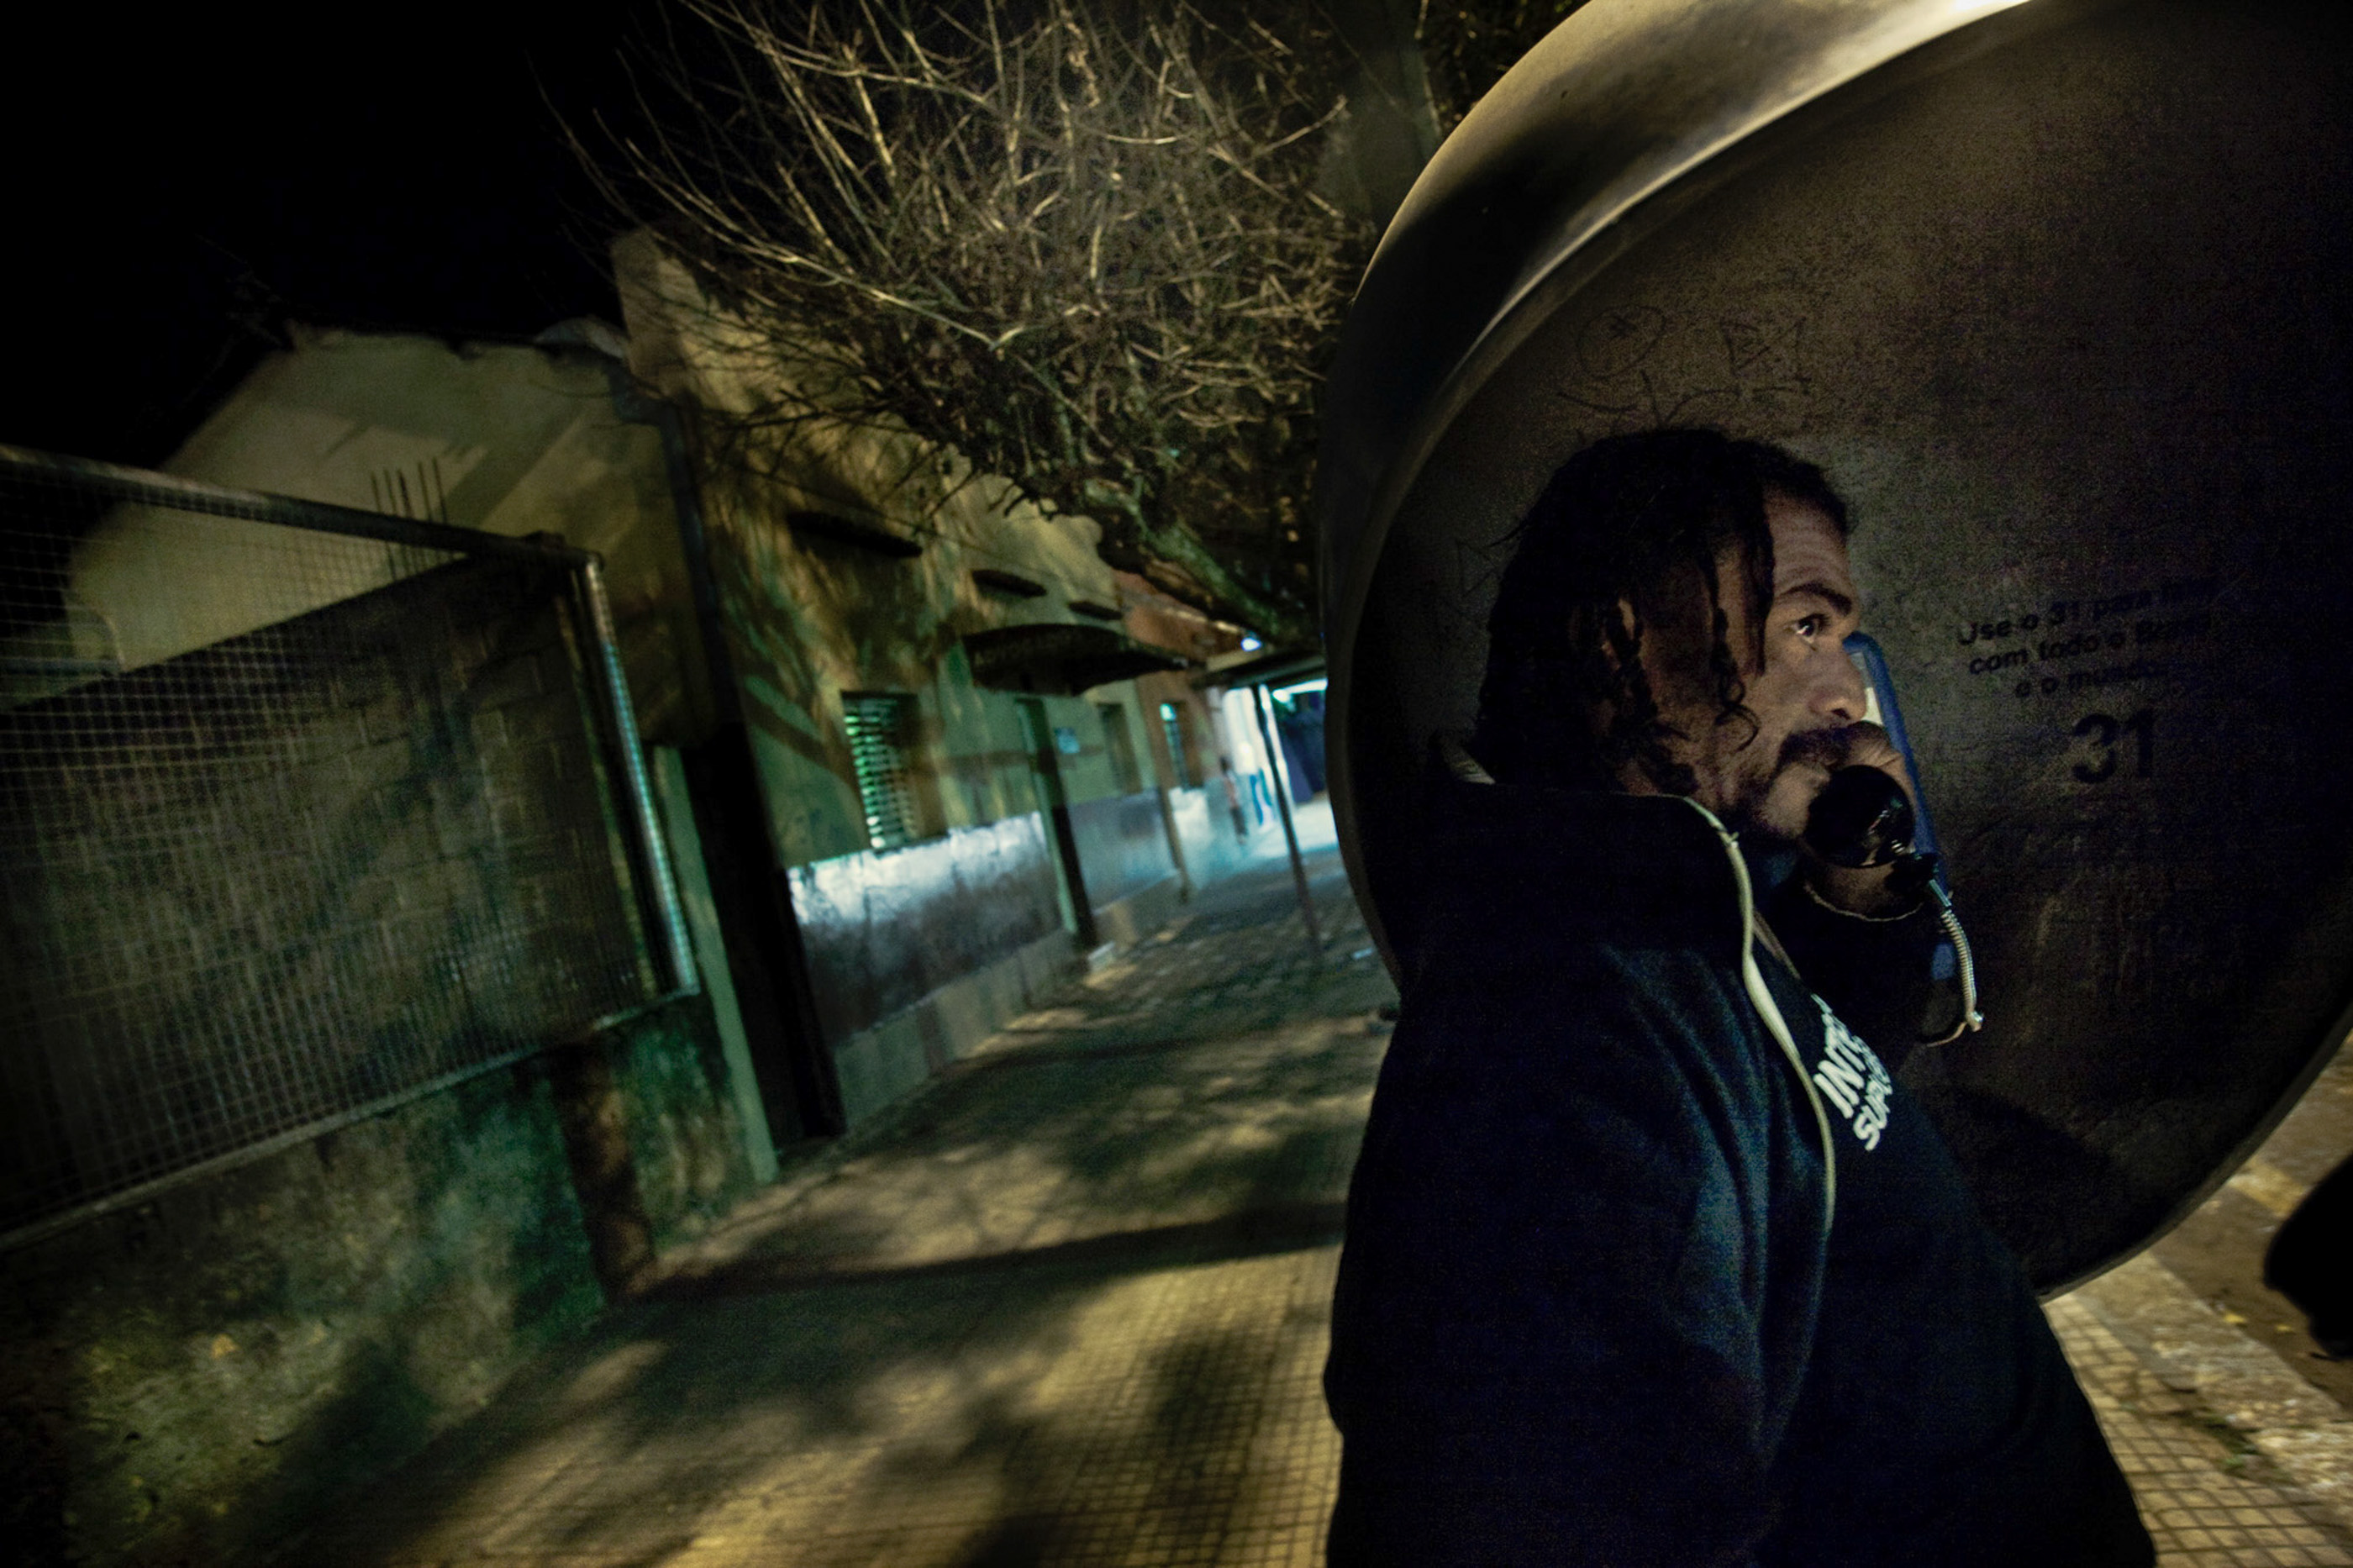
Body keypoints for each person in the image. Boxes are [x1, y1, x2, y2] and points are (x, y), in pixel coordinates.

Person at [1323, 429, 2152, 1566]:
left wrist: (1857, 883)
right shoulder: (1553, 1035)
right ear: (1623, 640)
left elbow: (1799, 1099)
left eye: (1845, 636)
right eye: (1806, 623)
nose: (1848, 688)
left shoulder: (1673, 897)